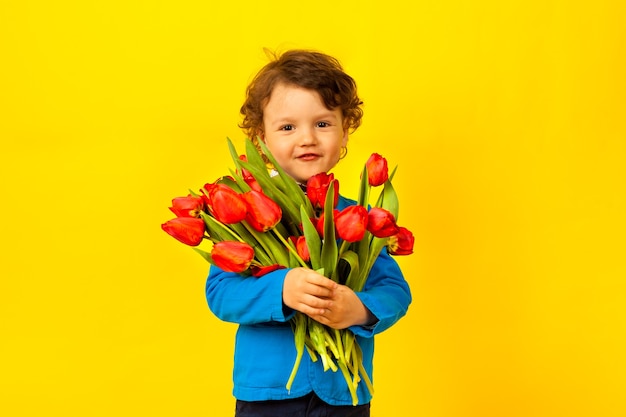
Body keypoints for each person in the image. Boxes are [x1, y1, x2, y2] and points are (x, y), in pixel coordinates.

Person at [205, 49, 412, 417]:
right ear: (260, 138)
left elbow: (395, 292)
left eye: (322, 124)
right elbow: (221, 294)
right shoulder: (246, 215)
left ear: (344, 130)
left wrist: (360, 310)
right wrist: (281, 289)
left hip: (345, 393)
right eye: (287, 127)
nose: (307, 139)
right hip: (268, 392)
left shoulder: (360, 217)